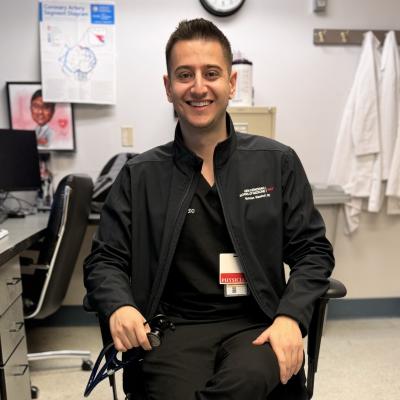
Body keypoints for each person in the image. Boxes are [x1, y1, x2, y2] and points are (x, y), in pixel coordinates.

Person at [84, 18, 334, 400]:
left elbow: (313, 251)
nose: (199, 87)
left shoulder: (276, 163)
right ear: (168, 88)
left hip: (257, 324)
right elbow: (105, 260)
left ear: (231, 83)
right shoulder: (140, 176)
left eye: (211, 73)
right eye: (185, 75)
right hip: (171, 331)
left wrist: (290, 316)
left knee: (246, 381)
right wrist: (119, 306)